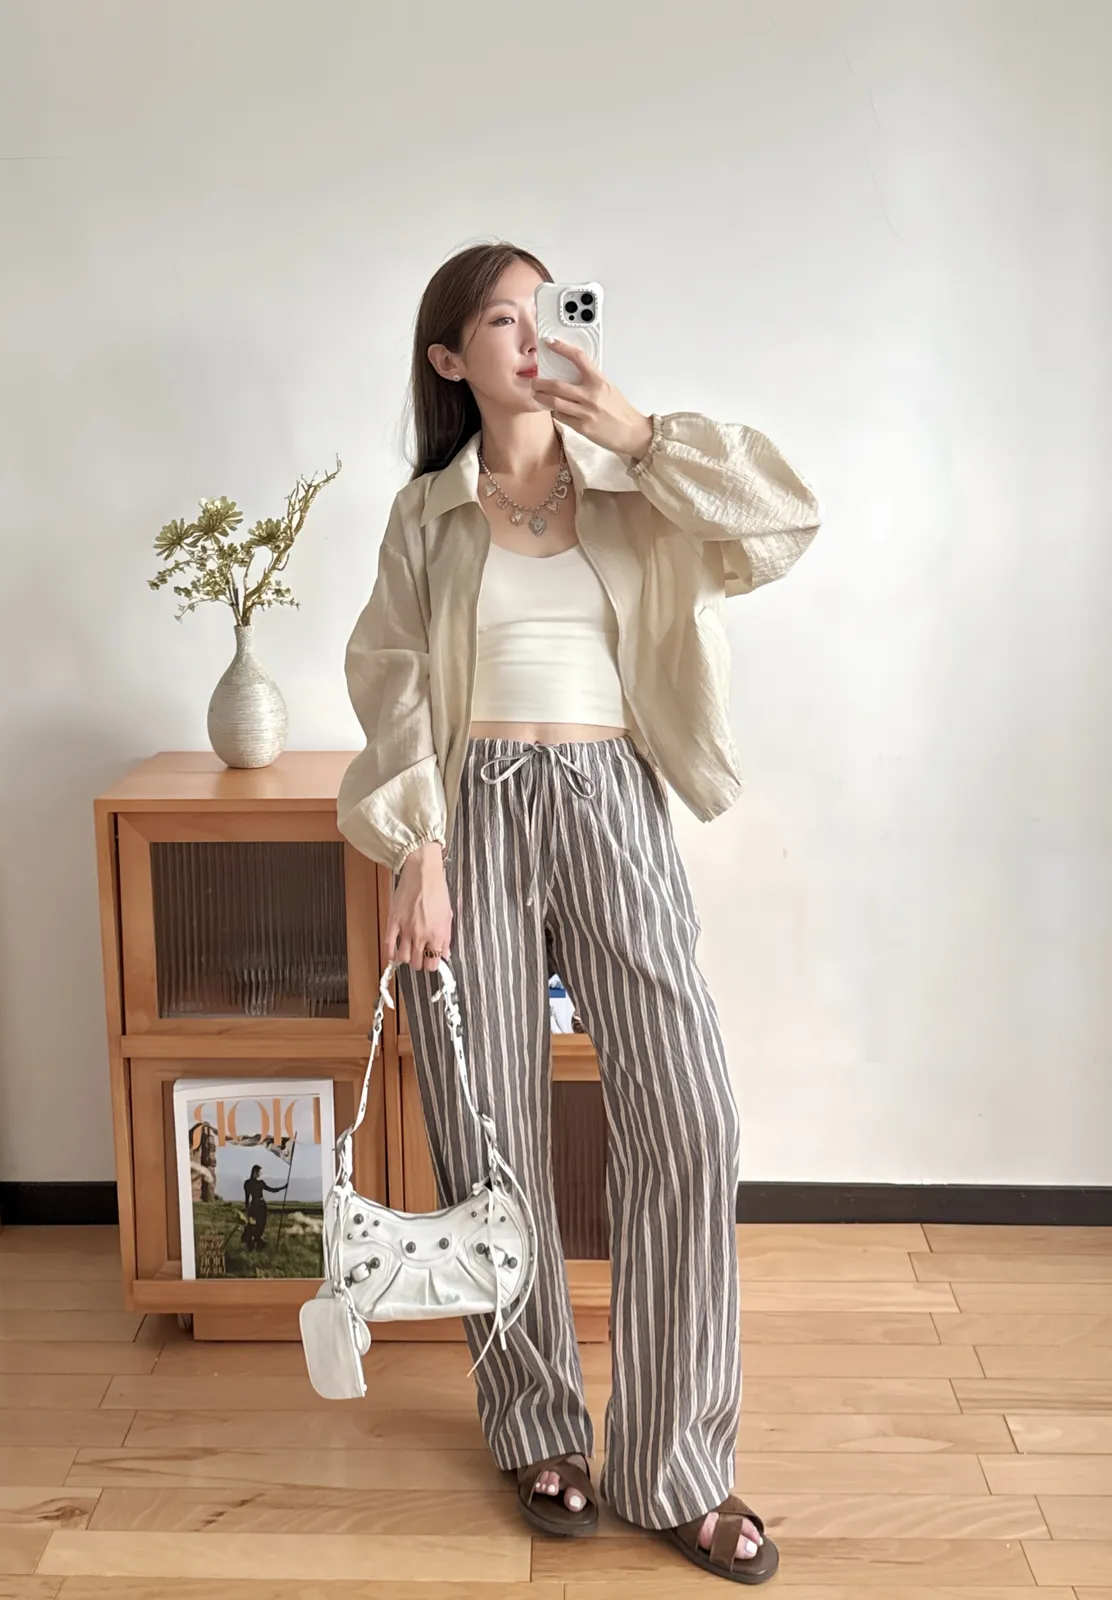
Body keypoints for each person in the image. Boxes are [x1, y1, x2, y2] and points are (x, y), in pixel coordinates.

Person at [338, 242, 819, 1584]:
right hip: (472, 813)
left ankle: (677, 1465)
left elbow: (785, 522)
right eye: (500, 318)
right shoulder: (425, 516)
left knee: (689, 1114)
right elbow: (392, 683)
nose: (529, 334)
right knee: (488, 1124)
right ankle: (537, 1422)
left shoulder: (637, 485)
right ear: (451, 358)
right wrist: (416, 850)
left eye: (544, 312)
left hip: (612, 800)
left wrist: (642, 432)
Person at [241, 1164, 284, 1250]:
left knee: (260, 1226)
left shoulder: (259, 1183)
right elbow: (247, 1198)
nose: (260, 1174)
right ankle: (253, 1242)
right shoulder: (248, 1183)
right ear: (254, 1172)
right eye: (258, 1172)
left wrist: (283, 1187)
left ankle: (256, 1242)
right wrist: (247, 1209)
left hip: (261, 1207)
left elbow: (272, 1190)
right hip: (255, 1207)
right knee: (252, 1226)